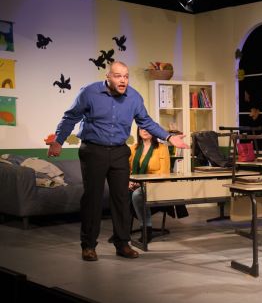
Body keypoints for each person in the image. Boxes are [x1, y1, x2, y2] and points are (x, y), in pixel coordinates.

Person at [47, 61, 188, 261]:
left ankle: (122, 244)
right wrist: (58, 141)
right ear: (108, 77)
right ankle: (88, 245)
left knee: (122, 198)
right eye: (118, 76)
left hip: (120, 151)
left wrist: (169, 137)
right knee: (93, 199)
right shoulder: (89, 92)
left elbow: (146, 122)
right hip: (93, 149)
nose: (123, 80)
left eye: (126, 76)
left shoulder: (134, 97)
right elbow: (70, 118)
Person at [129, 127, 171, 242]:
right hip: (137, 183)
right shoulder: (133, 148)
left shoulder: (162, 148)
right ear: (138, 132)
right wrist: (129, 181)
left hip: (157, 184)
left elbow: (164, 173)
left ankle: (146, 229)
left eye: (148, 128)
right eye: (142, 128)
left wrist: (143, 183)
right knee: (118, 192)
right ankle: (120, 232)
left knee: (138, 194)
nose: (145, 131)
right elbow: (127, 169)